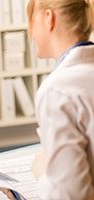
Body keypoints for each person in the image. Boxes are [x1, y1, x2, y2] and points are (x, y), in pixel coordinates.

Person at [27, 0, 94, 199]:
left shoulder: (57, 89)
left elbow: (71, 196)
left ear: (49, 18)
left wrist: (43, 174)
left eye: (31, 22)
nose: (31, 34)